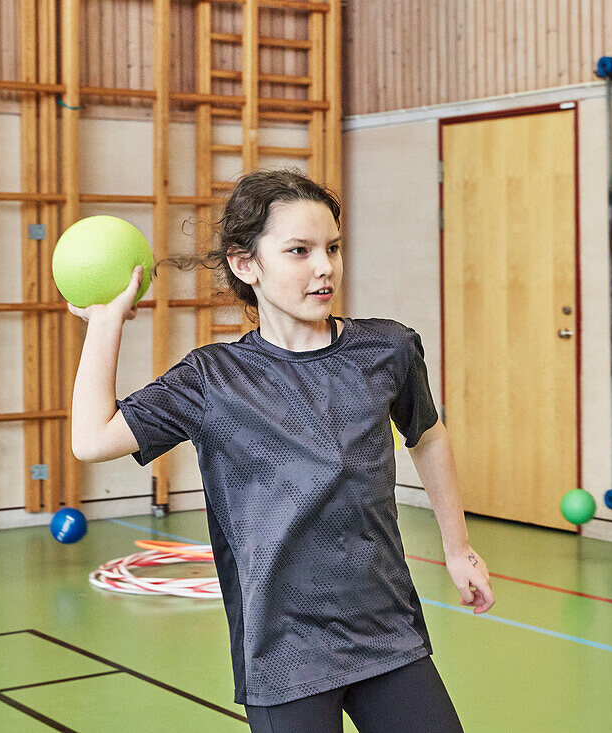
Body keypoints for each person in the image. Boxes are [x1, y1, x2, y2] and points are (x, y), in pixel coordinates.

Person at [67, 169, 494, 732]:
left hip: (384, 629)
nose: (325, 267)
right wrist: (105, 322)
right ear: (247, 265)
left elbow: (428, 436)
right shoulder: (213, 379)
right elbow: (91, 438)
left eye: (333, 248)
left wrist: (458, 548)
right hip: (283, 650)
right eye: (299, 251)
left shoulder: (387, 349)